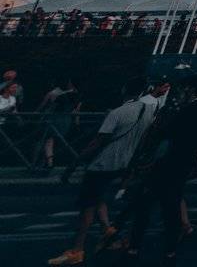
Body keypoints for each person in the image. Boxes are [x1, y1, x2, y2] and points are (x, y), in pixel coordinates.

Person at [48, 77, 158, 266]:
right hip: (124, 162)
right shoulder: (147, 111)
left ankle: (77, 250)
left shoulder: (117, 112)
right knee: (99, 197)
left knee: (87, 206)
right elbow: (144, 140)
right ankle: (108, 231)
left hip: (102, 163)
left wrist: (74, 163)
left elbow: (98, 142)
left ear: (124, 89)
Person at [125, 73, 197, 265]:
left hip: (168, 161)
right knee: (172, 207)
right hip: (186, 162)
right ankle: (170, 251)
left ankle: (134, 247)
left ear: (191, 89)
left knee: (145, 205)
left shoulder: (186, 111)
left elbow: (165, 133)